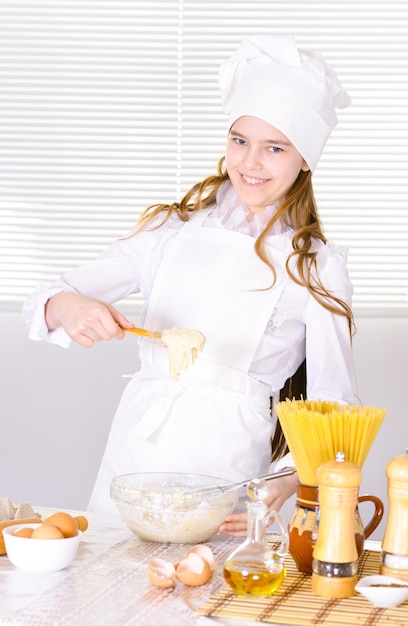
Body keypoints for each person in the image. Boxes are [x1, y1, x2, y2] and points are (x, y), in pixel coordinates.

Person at [23, 34, 357, 535]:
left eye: (275, 148)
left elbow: (335, 410)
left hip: (227, 473)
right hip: (135, 452)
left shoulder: (315, 267)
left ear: (305, 159)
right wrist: (70, 306)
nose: (250, 162)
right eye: (240, 140)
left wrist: (278, 484)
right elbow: (45, 301)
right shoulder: (170, 232)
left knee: (203, 603)